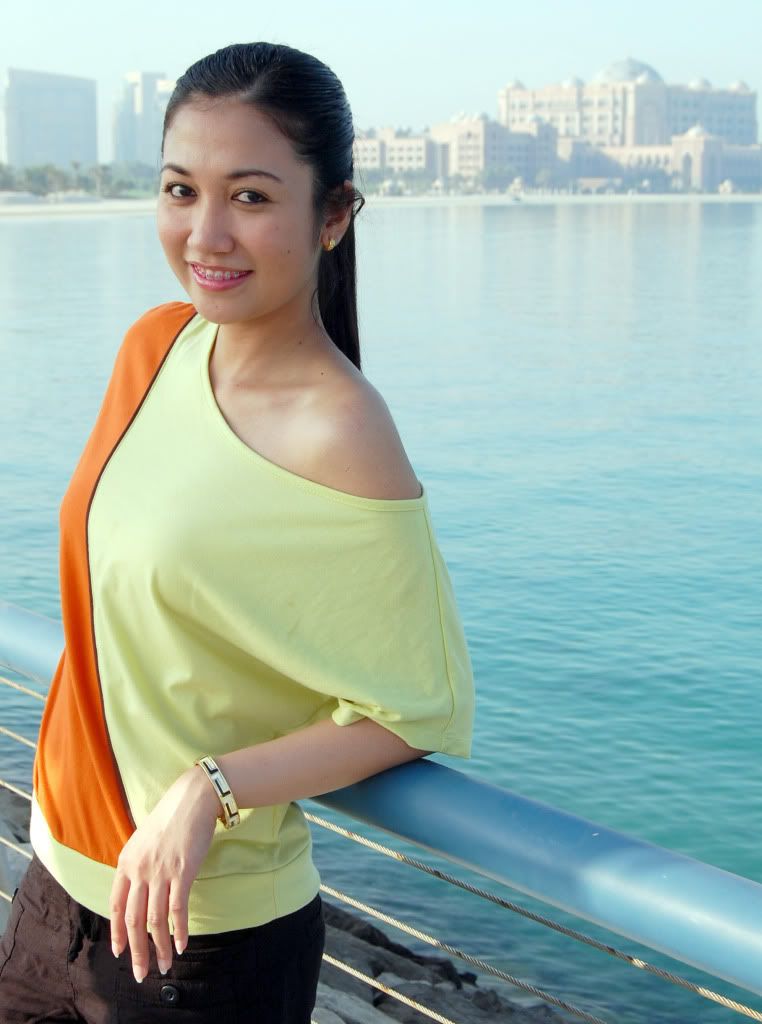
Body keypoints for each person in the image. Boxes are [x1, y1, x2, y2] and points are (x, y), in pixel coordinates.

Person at [0, 41, 474, 1023]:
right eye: (182, 189)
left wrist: (208, 788)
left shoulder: (343, 430)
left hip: (201, 946)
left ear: (333, 214)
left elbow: (416, 707)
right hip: (54, 887)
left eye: (250, 197)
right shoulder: (155, 345)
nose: (205, 233)